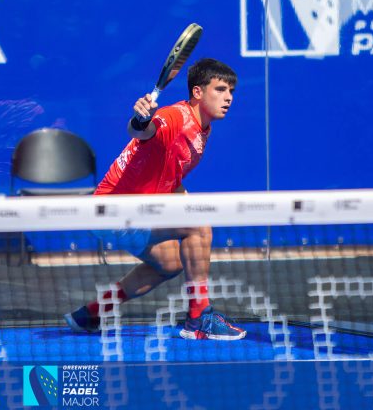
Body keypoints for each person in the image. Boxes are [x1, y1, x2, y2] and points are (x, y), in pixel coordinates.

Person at [64, 58, 246, 340]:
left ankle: (91, 313)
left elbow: (171, 178)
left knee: (171, 263)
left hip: (133, 211)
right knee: (199, 225)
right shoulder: (175, 117)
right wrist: (141, 119)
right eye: (220, 89)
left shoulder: (202, 130)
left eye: (231, 91)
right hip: (115, 210)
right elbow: (142, 131)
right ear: (198, 92)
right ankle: (199, 317)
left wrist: (186, 202)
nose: (228, 98)